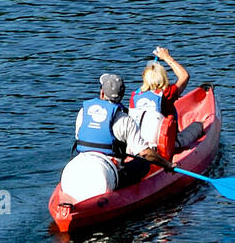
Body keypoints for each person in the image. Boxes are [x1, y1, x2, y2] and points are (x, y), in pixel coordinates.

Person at [60, 73, 174, 202]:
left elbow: (79, 137)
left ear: (102, 93)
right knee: (144, 163)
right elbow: (145, 153)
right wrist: (167, 164)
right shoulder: (125, 119)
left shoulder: (83, 112)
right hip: (108, 173)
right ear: (121, 96)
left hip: (79, 165)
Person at [128, 47, 203, 158]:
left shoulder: (134, 96)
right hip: (165, 145)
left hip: (138, 145)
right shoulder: (167, 93)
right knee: (199, 125)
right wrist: (167, 58)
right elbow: (184, 76)